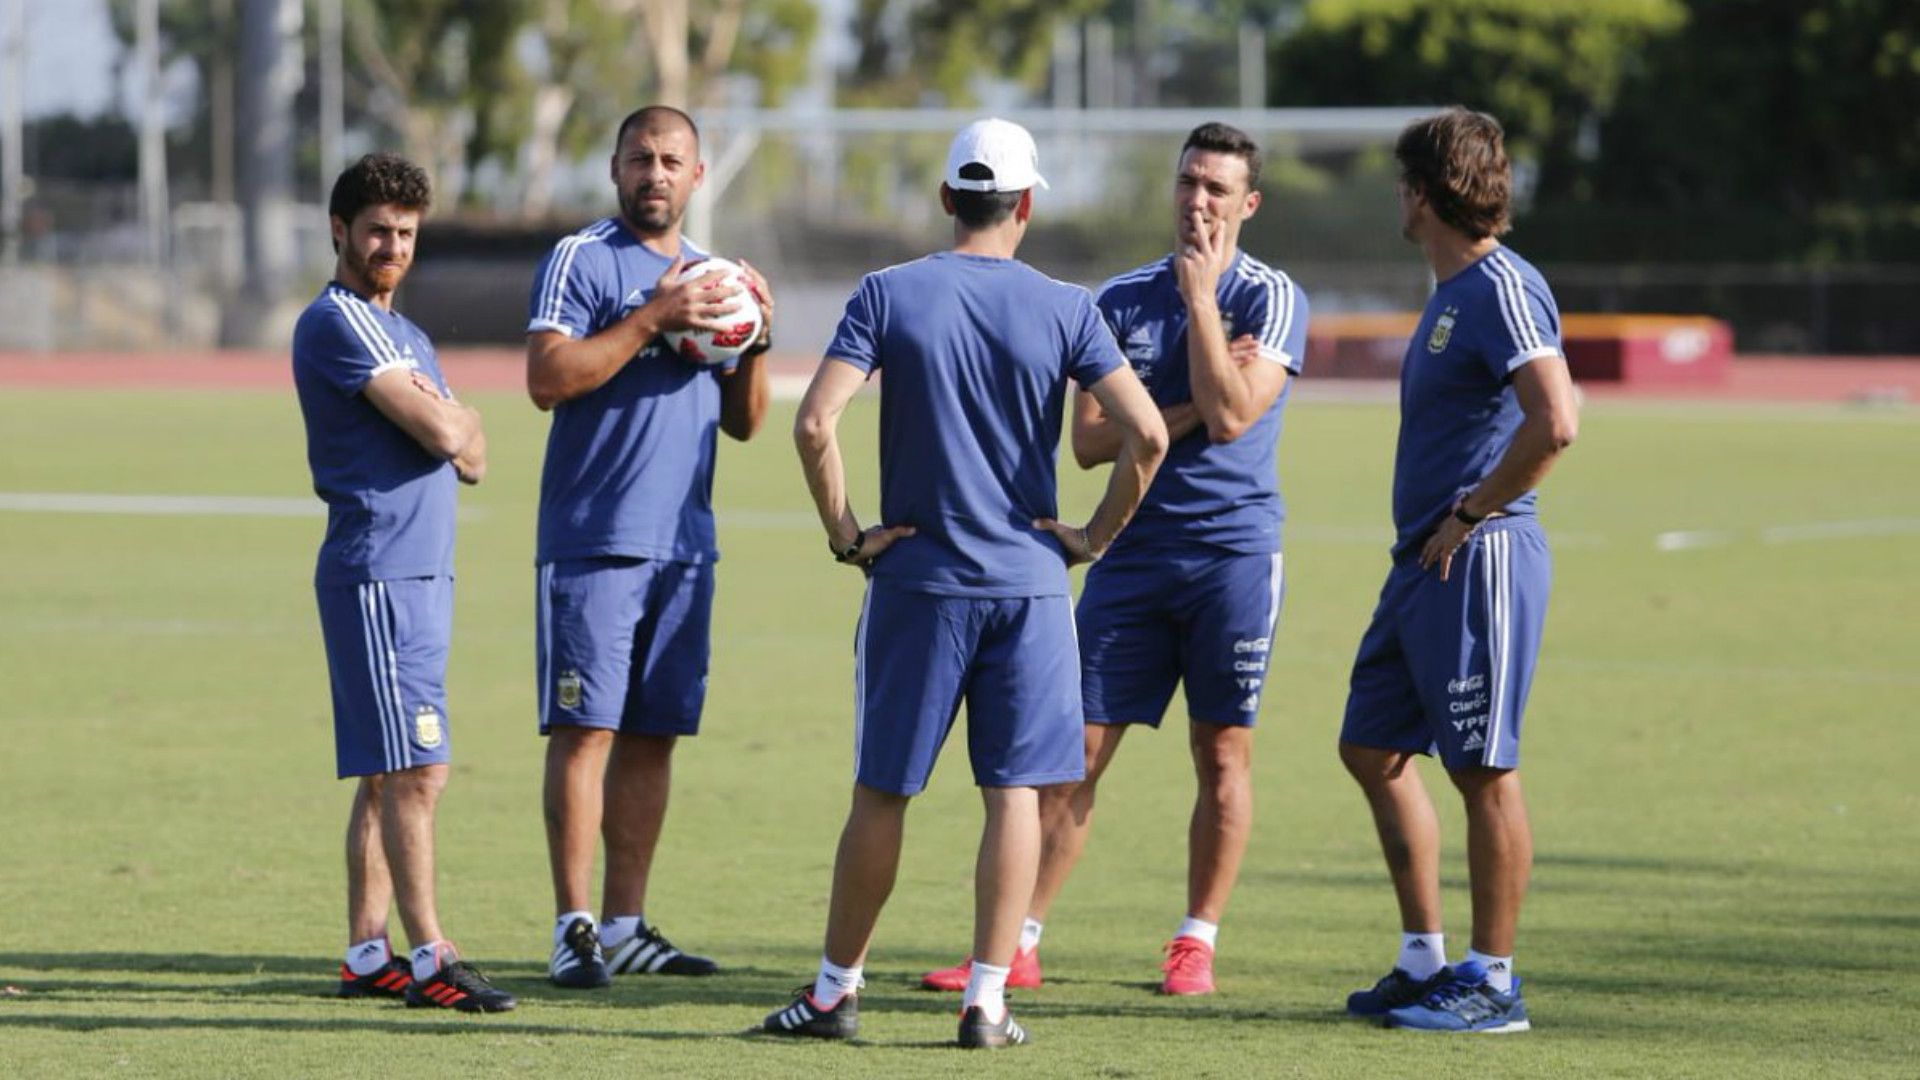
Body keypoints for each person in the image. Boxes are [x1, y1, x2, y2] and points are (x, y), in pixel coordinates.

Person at [762, 118, 1169, 1049]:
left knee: (882, 792)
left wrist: (849, 537)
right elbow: (1148, 436)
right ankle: (987, 1003)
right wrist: (1088, 540)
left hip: (918, 584)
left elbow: (814, 425)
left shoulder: (887, 293)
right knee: (1016, 794)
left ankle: (835, 994)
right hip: (1029, 589)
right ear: (1025, 204)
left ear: (948, 199)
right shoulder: (1067, 305)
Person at [919, 122, 1308, 999]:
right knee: (1072, 755)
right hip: (1129, 556)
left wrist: (1204, 304)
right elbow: (1095, 443)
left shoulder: (1274, 298)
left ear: (1247, 204)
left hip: (1232, 557)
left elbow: (1241, 418)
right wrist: (1187, 405)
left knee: (1222, 755)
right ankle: (1017, 943)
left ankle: (1195, 942)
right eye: (1187, 182)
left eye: (1216, 189)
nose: (1197, 201)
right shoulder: (1120, 299)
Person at [1339, 107, 1578, 1033]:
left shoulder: (1502, 287)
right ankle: (1425, 960)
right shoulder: (1446, 295)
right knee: (1370, 747)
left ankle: (1494, 982)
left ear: (1427, 193)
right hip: (1420, 567)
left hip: (1479, 557)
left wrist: (1473, 512)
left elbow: (1554, 421)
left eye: (1404, 180)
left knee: (1482, 767)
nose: (1396, 194)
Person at [524, 105, 773, 989]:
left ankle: (628, 925)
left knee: (654, 736)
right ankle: (574, 927)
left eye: (672, 160)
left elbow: (745, 426)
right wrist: (648, 319)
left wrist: (755, 342)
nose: (656, 172)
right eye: (641, 158)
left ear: (698, 177)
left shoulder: (716, 277)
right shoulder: (582, 259)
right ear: (615, 168)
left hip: (684, 546)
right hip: (595, 539)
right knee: (585, 730)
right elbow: (547, 379)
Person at [292, 152, 514, 1013]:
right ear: (341, 231)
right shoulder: (341, 322)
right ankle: (431, 956)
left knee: (388, 775)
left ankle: (366, 952)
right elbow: (440, 427)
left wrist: (455, 426)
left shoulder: (406, 334)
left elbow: (475, 457)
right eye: (378, 230)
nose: (392, 246)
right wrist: (451, 421)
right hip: (380, 570)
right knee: (420, 769)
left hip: (421, 573)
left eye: (406, 234)